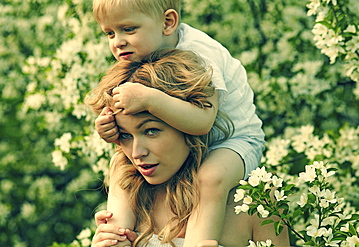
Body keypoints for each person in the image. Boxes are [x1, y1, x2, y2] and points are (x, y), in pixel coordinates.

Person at [92, 1, 265, 246]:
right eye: (110, 33)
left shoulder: (201, 53)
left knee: (210, 178)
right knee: (120, 164)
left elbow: (202, 122)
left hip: (234, 141)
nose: (117, 41)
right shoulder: (142, 54)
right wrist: (107, 125)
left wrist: (149, 99)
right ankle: (118, 234)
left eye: (128, 29)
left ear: (168, 22)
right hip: (189, 141)